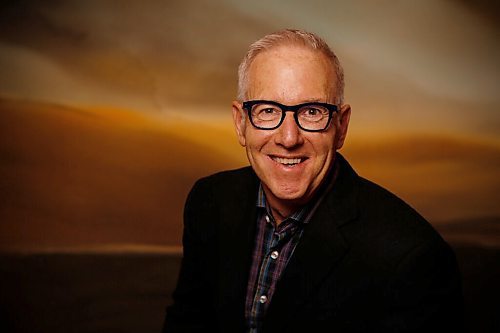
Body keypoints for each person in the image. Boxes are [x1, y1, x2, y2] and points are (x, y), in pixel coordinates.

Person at [162, 29, 464, 332]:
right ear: (241, 123)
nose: (289, 138)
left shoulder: (410, 258)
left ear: (341, 126)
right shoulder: (210, 201)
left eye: (311, 112)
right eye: (267, 111)